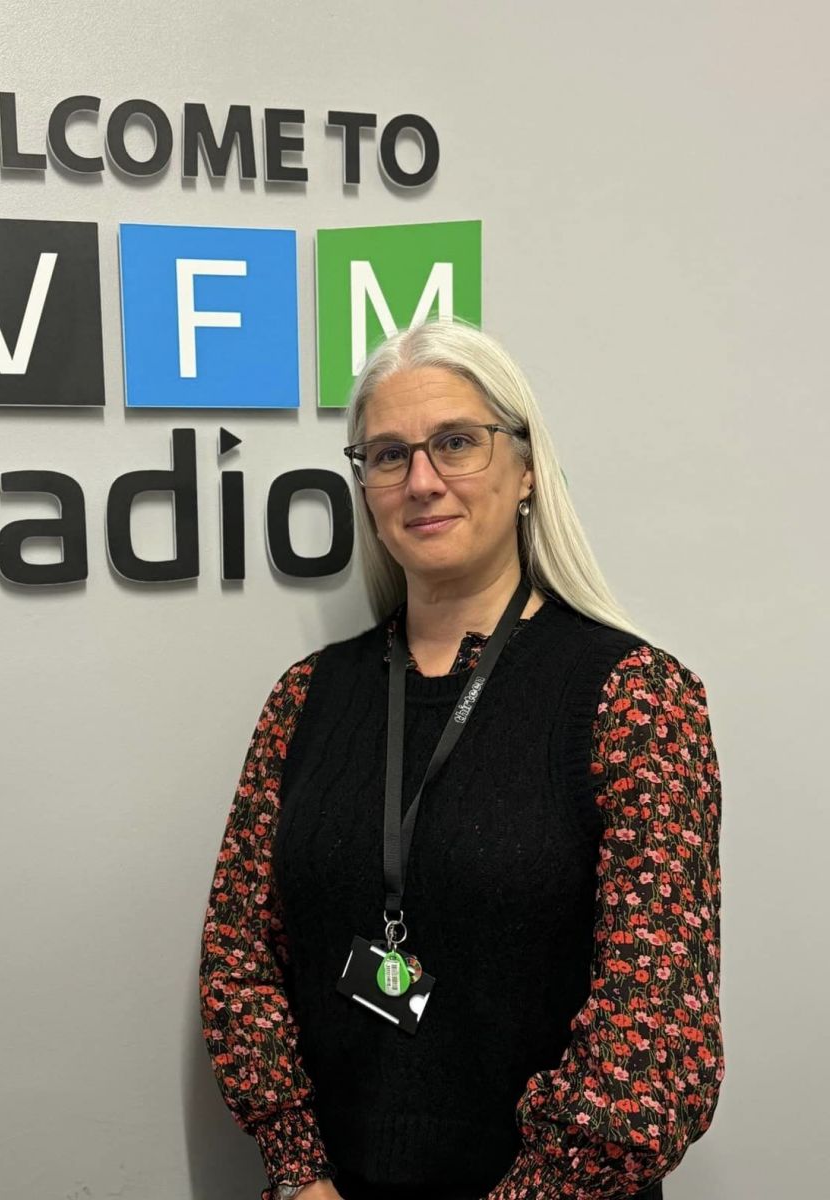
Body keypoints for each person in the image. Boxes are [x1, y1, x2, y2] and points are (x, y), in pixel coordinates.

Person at [197, 319, 723, 1200]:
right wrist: (299, 1172)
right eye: (388, 455)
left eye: (456, 443)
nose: (423, 480)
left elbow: (656, 1045)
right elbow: (238, 958)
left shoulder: (634, 697)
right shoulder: (304, 699)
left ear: (524, 469)